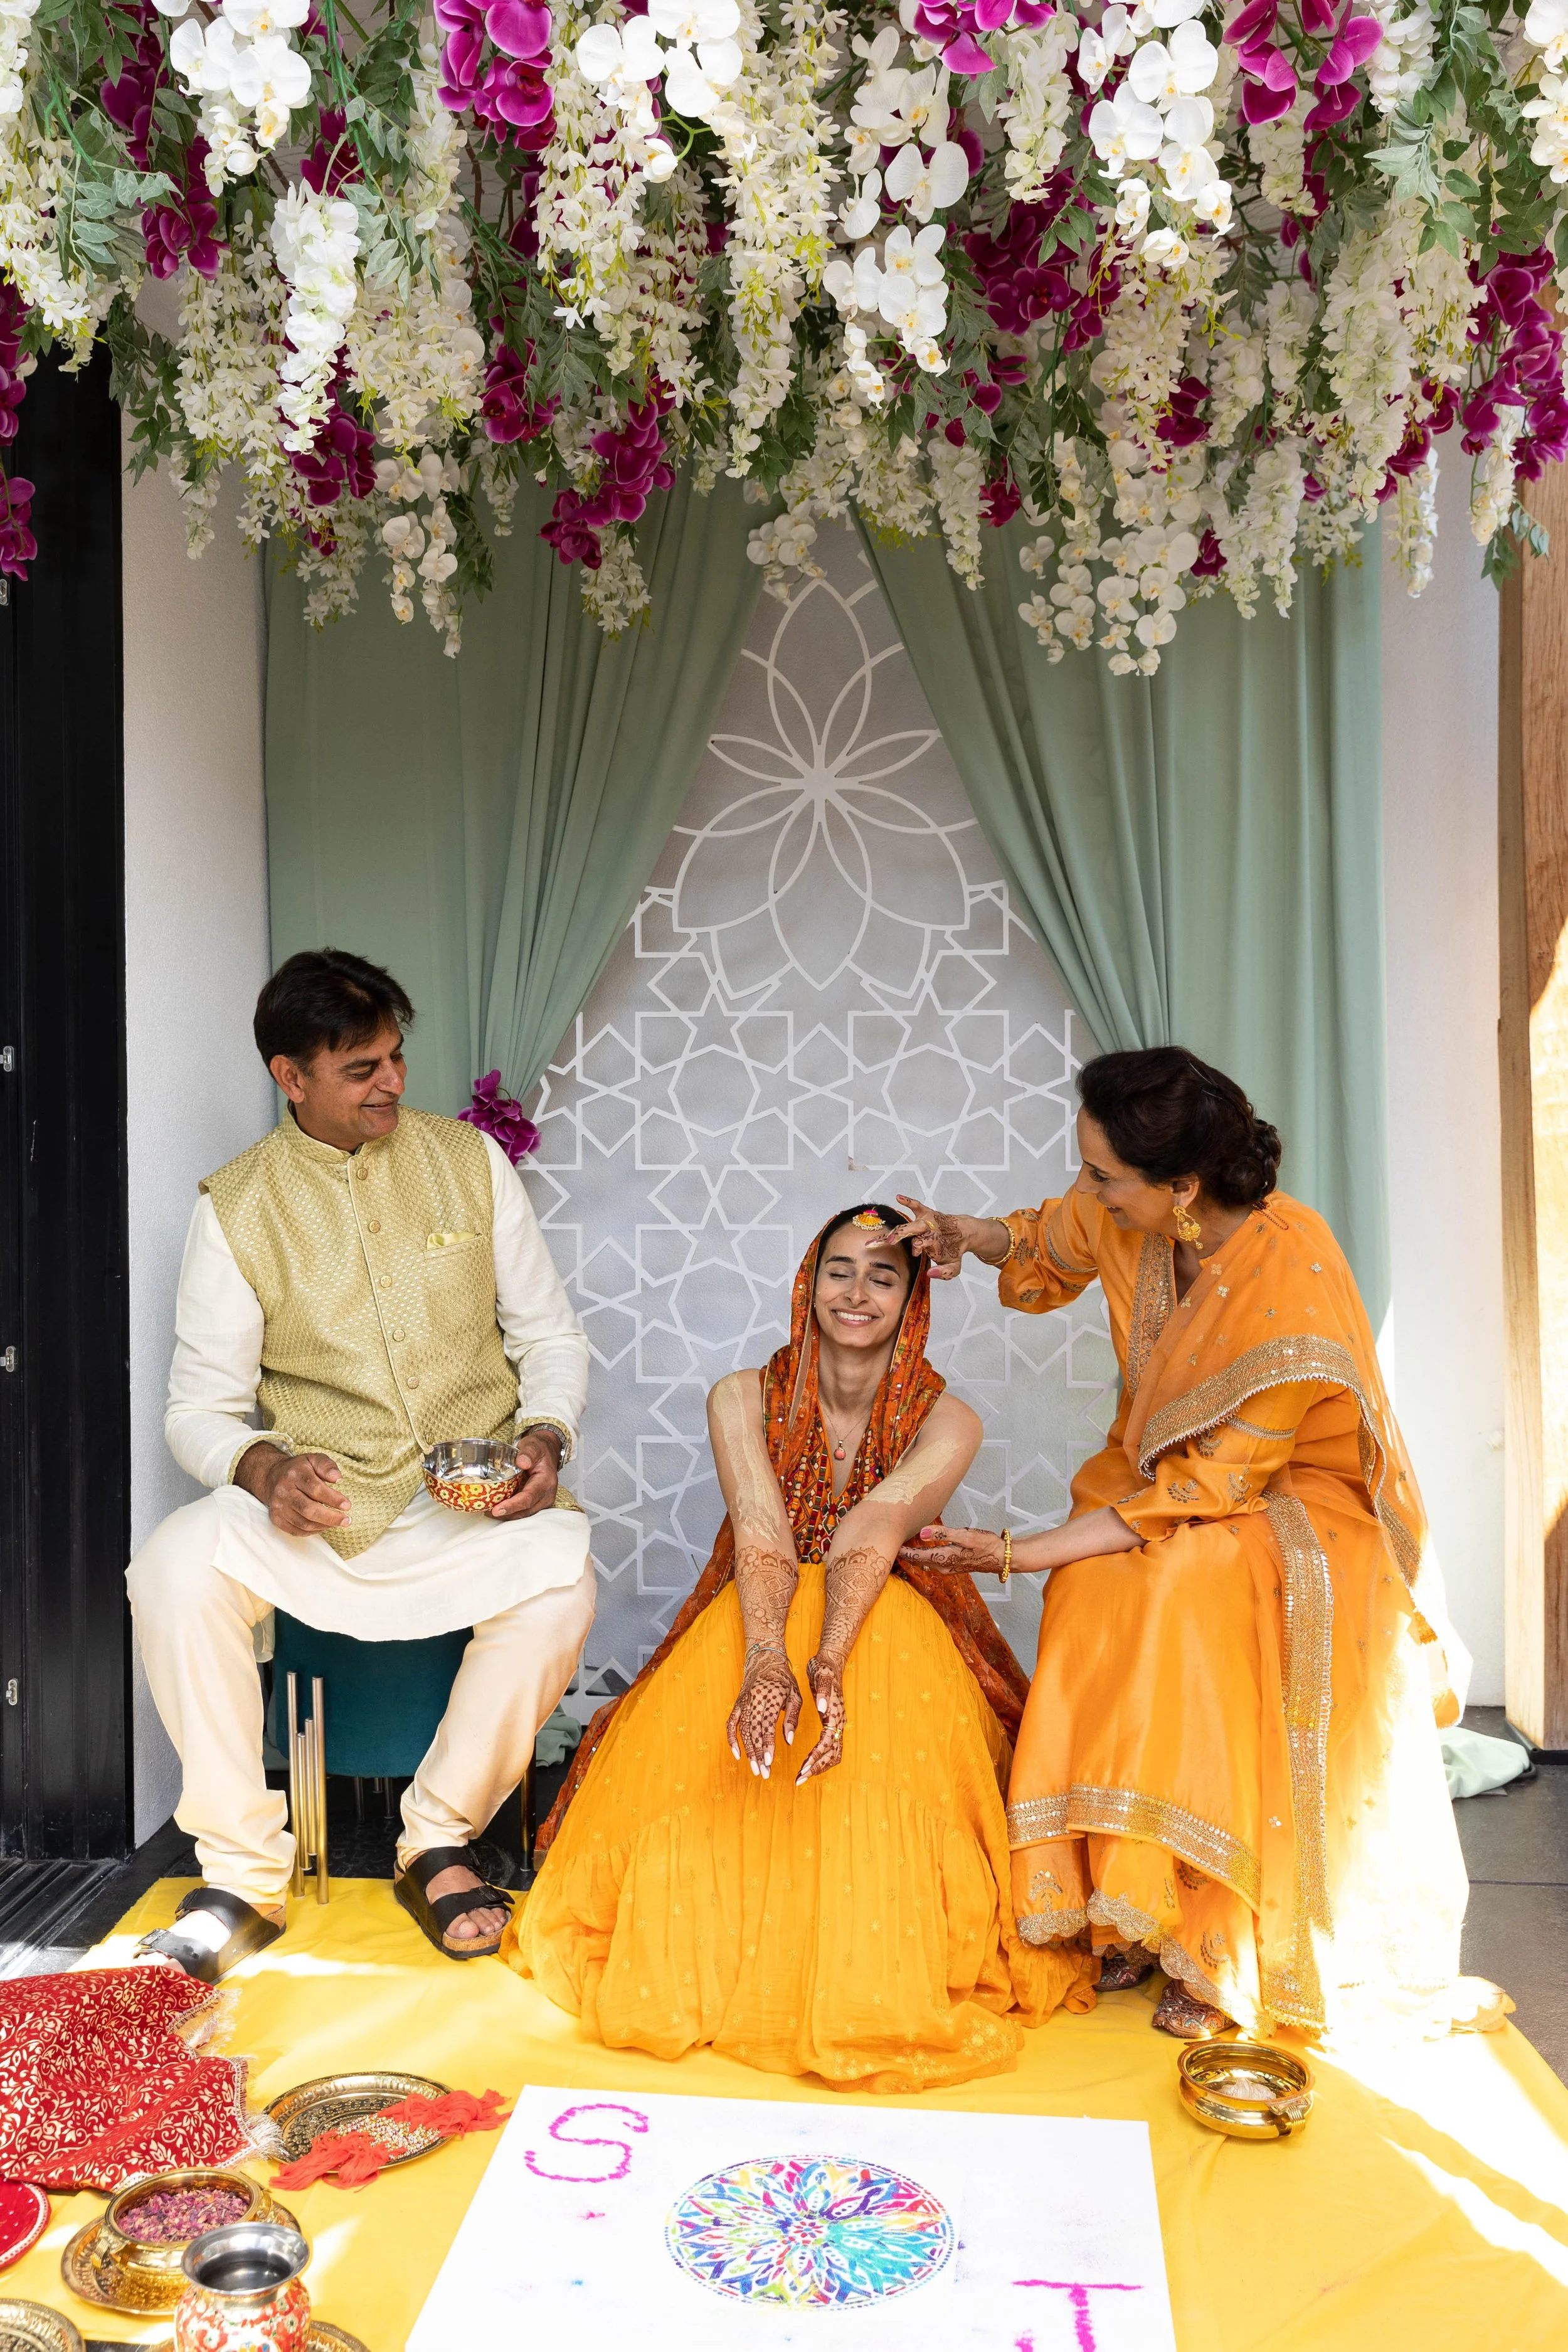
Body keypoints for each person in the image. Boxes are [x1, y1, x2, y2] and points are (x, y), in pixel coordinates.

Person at [893, 1047, 1473, 2042]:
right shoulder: (1138, 1219)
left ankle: (1218, 1944)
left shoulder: (1293, 1267)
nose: (1088, 1189)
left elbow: (1216, 1489)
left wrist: (1016, 1550)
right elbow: (1045, 1234)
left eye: (1104, 1175)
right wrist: (962, 1233)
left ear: (1183, 1186)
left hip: (1296, 1500)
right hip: (1162, 1478)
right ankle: (1127, 1908)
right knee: (1097, 1591)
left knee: (1182, 1588)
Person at [502, 1205, 1094, 2090]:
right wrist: (769, 1659)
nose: (857, 1291)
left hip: (889, 1610)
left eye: (883, 1275)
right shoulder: (741, 1396)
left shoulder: (950, 1419)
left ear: (912, 1296)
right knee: (713, 1755)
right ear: (807, 1284)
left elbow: (875, 1527)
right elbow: (764, 1534)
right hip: (760, 1601)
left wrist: (831, 1668)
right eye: (840, 1270)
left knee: (883, 1735)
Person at [127, 950, 595, 1976]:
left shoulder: (471, 1161)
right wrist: (262, 1472)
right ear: (290, 1076)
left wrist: (546, 1435)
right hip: (322, 1509)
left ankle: (434, 1837)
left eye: (394, 1057)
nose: (390, 1082)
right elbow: (195, 1409)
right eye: (359, 1068)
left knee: (564, 1576)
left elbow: (551, 1340)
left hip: (463, 1503)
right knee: (172, 1565)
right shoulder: (237, 1208)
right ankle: (243, 1874)